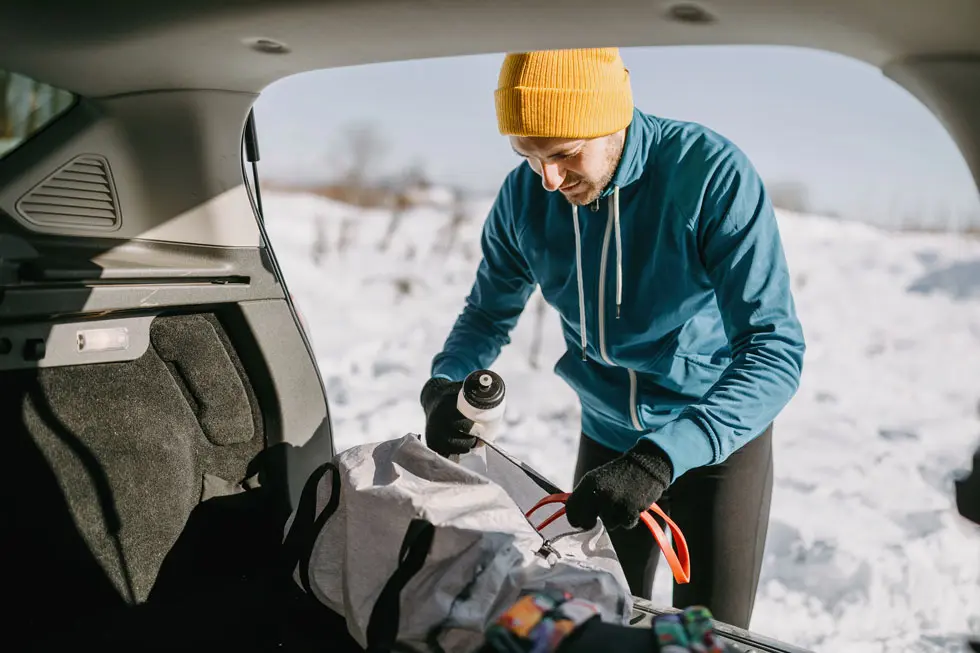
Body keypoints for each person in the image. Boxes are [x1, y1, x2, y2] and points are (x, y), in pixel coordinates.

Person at [419, 47, 805, 629]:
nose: (547, 179)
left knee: (709, 634)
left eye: (564, 154)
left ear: (612, 121)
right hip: (607, 441)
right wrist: (448, 382)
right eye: (527, 155)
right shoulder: (524, 200)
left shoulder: (708, 175)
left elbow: (775, 350)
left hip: (715, 441)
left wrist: (664, 455)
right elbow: (486, 314)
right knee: (597, 621)